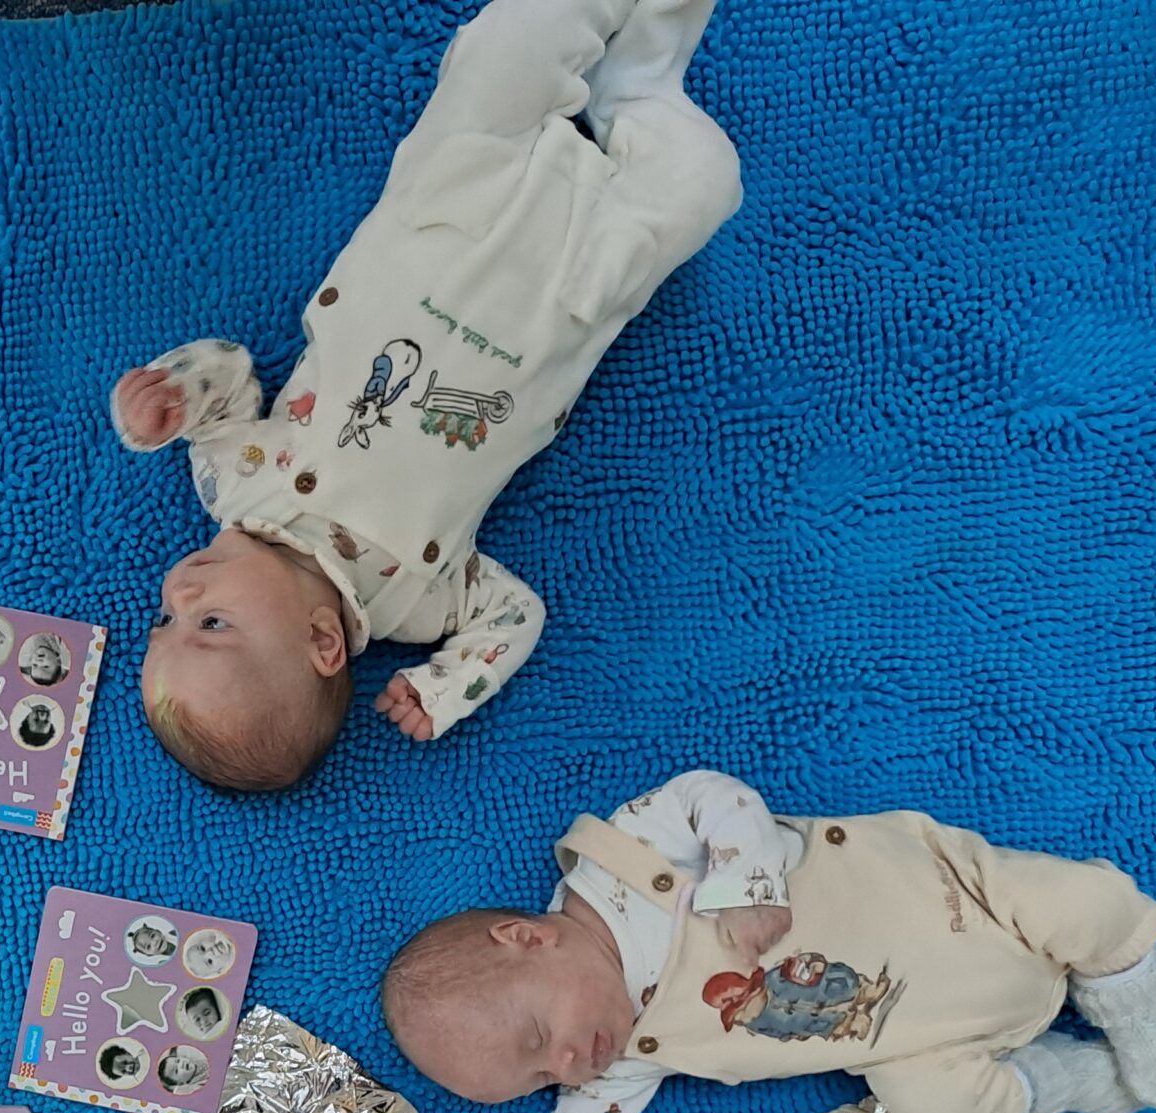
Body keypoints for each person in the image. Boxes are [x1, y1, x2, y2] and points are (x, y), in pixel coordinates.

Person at [111, 0, 740, 787]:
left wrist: (172, 397)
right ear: (323, 644)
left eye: (162, 619)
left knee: (508, 48)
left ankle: (613, 46)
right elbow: (517, 616)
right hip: (567, 291)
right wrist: (447, 685)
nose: (180, 588)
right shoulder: (416, 603)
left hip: (445, 213)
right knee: (705, 180)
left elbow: (233, 376)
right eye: (208, 621)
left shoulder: (233, 485)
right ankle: (641, 90)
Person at [380, 769, 1156, 1113]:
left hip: (955, 899)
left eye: (536, 1036)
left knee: (1093, 910)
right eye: (535, 1081)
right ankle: (1071, 1078)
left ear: (527, 937)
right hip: (918, 1034)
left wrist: (745, 880)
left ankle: (1142, 1014)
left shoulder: (623, 863)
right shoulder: (626, 1054)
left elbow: (708, 792)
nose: (563, 1064)